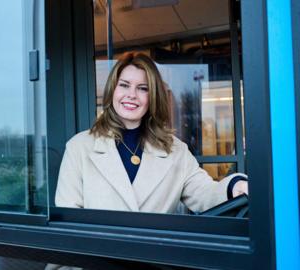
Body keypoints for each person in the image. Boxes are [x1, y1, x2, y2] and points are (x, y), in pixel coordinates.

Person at [55, 51, 248, 213]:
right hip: (95, 257)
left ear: (152, 96)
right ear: (113, 90)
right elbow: (69, 219)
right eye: (124, 85)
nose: (131, 94)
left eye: (142, 88)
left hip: (155, 258)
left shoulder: (176, 151)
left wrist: (234, 186)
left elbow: (205, 193)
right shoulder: (79, 147)